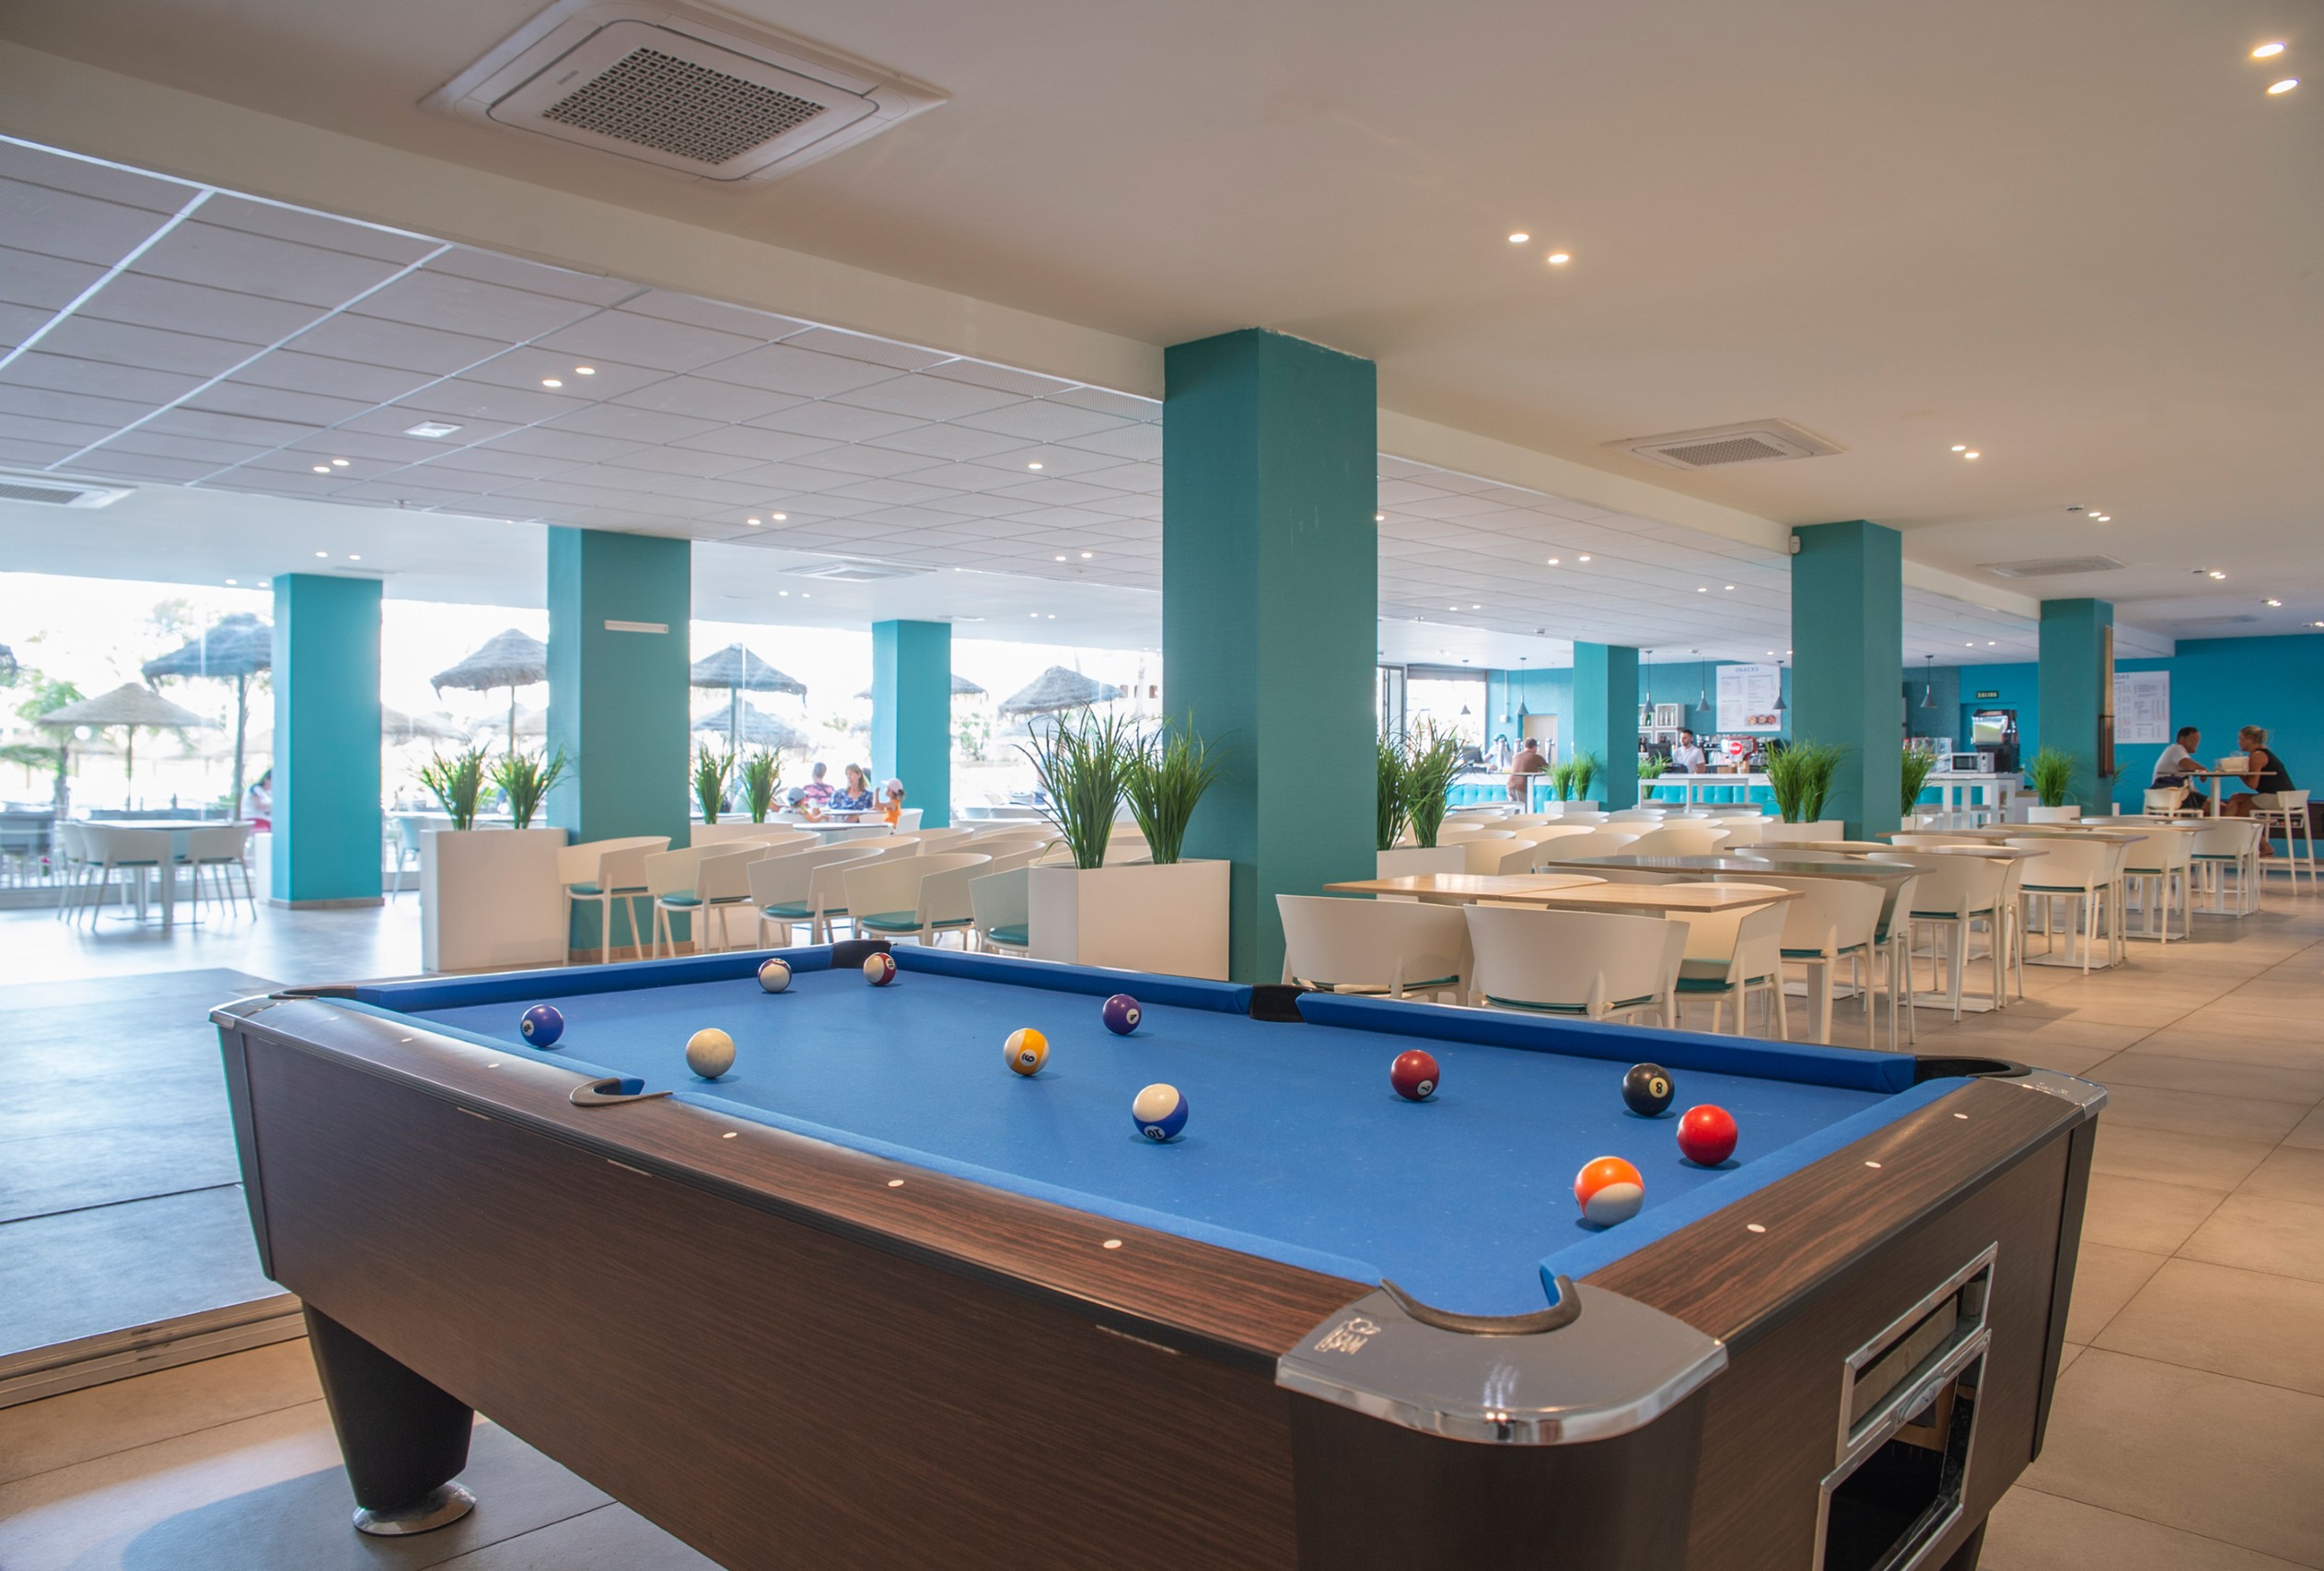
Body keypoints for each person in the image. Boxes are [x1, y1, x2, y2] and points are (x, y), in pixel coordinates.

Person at [2220, 727, 2295, 852]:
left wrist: (2238, 773)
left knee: (2241, 816)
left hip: (2275, 797)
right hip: (2283, 797)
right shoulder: (2263, 753)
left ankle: (2227, 841)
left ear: (2250, 739)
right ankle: (2225, 835)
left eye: (2240, 739)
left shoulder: (2257, 756)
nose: (2238, 742)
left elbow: (2253, 784)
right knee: (2236, 797)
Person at [2149, 727, 2206, 812]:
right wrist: (2203, 769)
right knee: (2219, 807)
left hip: (2176, 795)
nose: (2196, 743)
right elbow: (2189, 765)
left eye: (2197, 740)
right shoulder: (2177, 748)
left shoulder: (2176, 751)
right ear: (2182, 739)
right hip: (2174, 797)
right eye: (2193, 740)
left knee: (2219, 805)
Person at [1506, 737, 1546, 804]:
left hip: (1509, 786)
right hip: (1521, 787)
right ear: (1535, 747)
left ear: (1524, 746)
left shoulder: (1516, 756)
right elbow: (1548, 769)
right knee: (1525, 808)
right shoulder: (1536, 757)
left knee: (1513, 809)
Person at [241, 767, 273, 831]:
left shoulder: (268, 793)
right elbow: (259, 806)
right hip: (253, 820)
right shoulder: (255, 789)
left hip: (266, 821)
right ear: (266, 779)